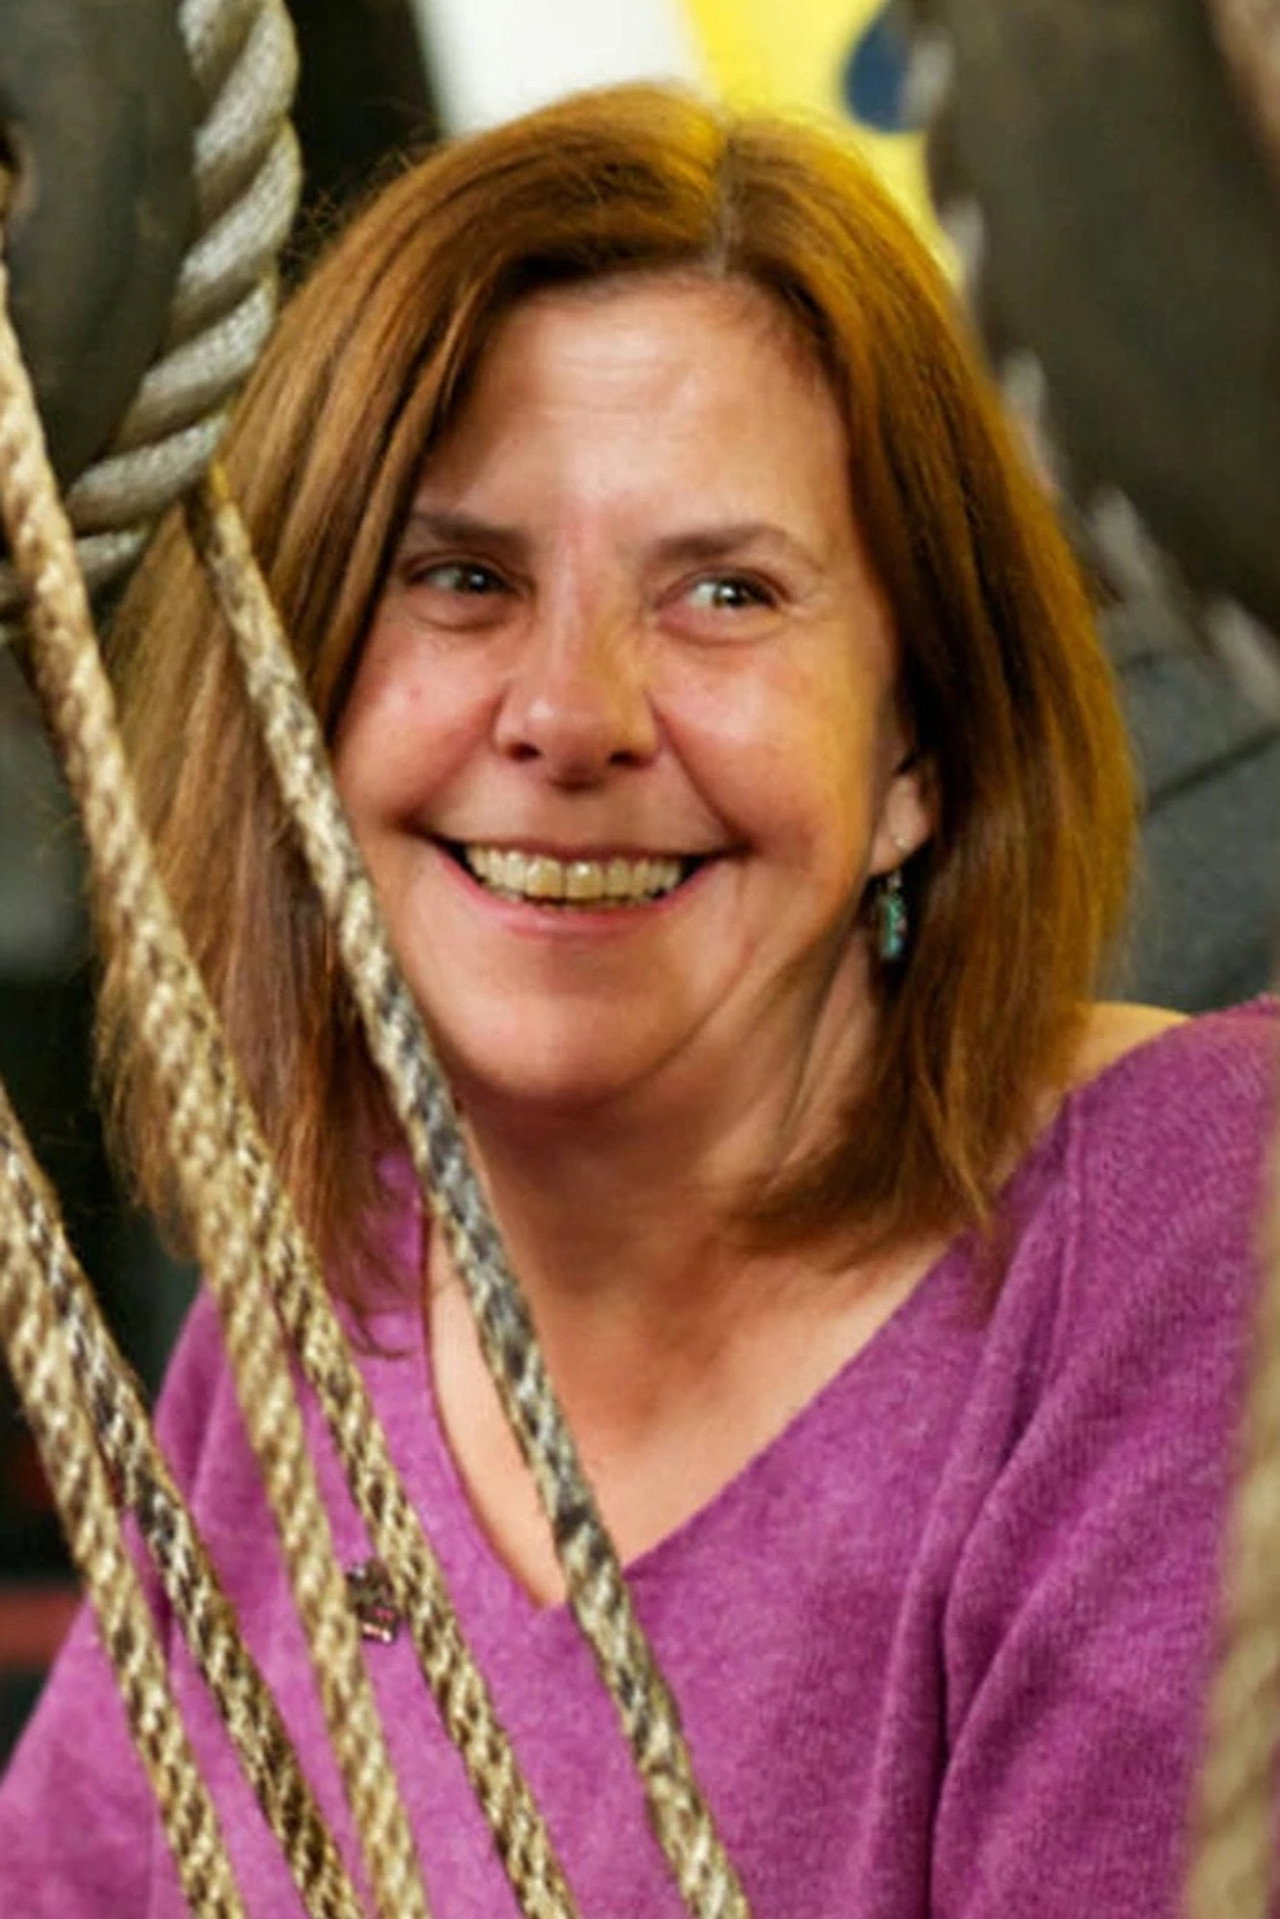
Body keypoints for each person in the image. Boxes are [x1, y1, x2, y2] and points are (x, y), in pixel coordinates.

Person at [0, 80, 1274, 1918]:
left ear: (917, 750)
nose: (570, 713)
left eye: (725, 595)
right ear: (302, 696)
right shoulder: (323, 1311)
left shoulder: (1191, 1232)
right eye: (462, 578)